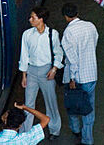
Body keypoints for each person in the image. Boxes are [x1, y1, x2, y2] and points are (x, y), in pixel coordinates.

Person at [18, 7, 63, 140]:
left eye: (33, 17)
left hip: (47, 71)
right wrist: (24, 75)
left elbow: (58, 52)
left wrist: (54, 69)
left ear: (41, 19)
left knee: (51, 102)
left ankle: (55, 130)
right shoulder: (27, 34)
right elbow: (24, 55)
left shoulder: (52, 34)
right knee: (28, 104)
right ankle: (25, 133)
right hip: (31, 71)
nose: (30, 19)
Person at [60, 3, 99, 145]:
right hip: (91, 74)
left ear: (65, 17)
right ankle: (87, 139)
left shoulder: (68, 33)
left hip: (76, 77)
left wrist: (72, 78)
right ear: (77, 13)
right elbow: (94, 42)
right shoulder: (90, 26)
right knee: (89, 108)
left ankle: (75, 129)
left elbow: (72, 59)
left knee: (73, 104)